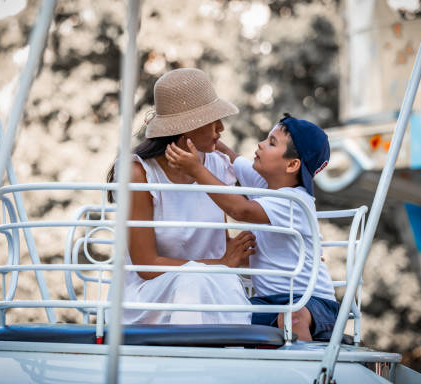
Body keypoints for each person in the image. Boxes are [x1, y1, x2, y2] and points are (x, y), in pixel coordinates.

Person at [165, 114, 338, 341]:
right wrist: (195, 131)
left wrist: (197, 170)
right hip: (270, 303)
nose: (260, 144)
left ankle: (302, 368)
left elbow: (241, 210)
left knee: (292, 317)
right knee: (228, 314)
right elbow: (228, 155)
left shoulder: (295, 201)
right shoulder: (264, 183)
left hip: (312, 302)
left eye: (271, 143)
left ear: (292, 164)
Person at [106, 68, 256, 325]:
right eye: (212, 120)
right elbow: (146, 265)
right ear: (187, 128)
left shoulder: (218, 164)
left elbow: (219, 242)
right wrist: (219, 264)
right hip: (148, 297)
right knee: (195, 279)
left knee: (224, 283)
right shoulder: (139, 173)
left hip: (209, 284)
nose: (221, 128)